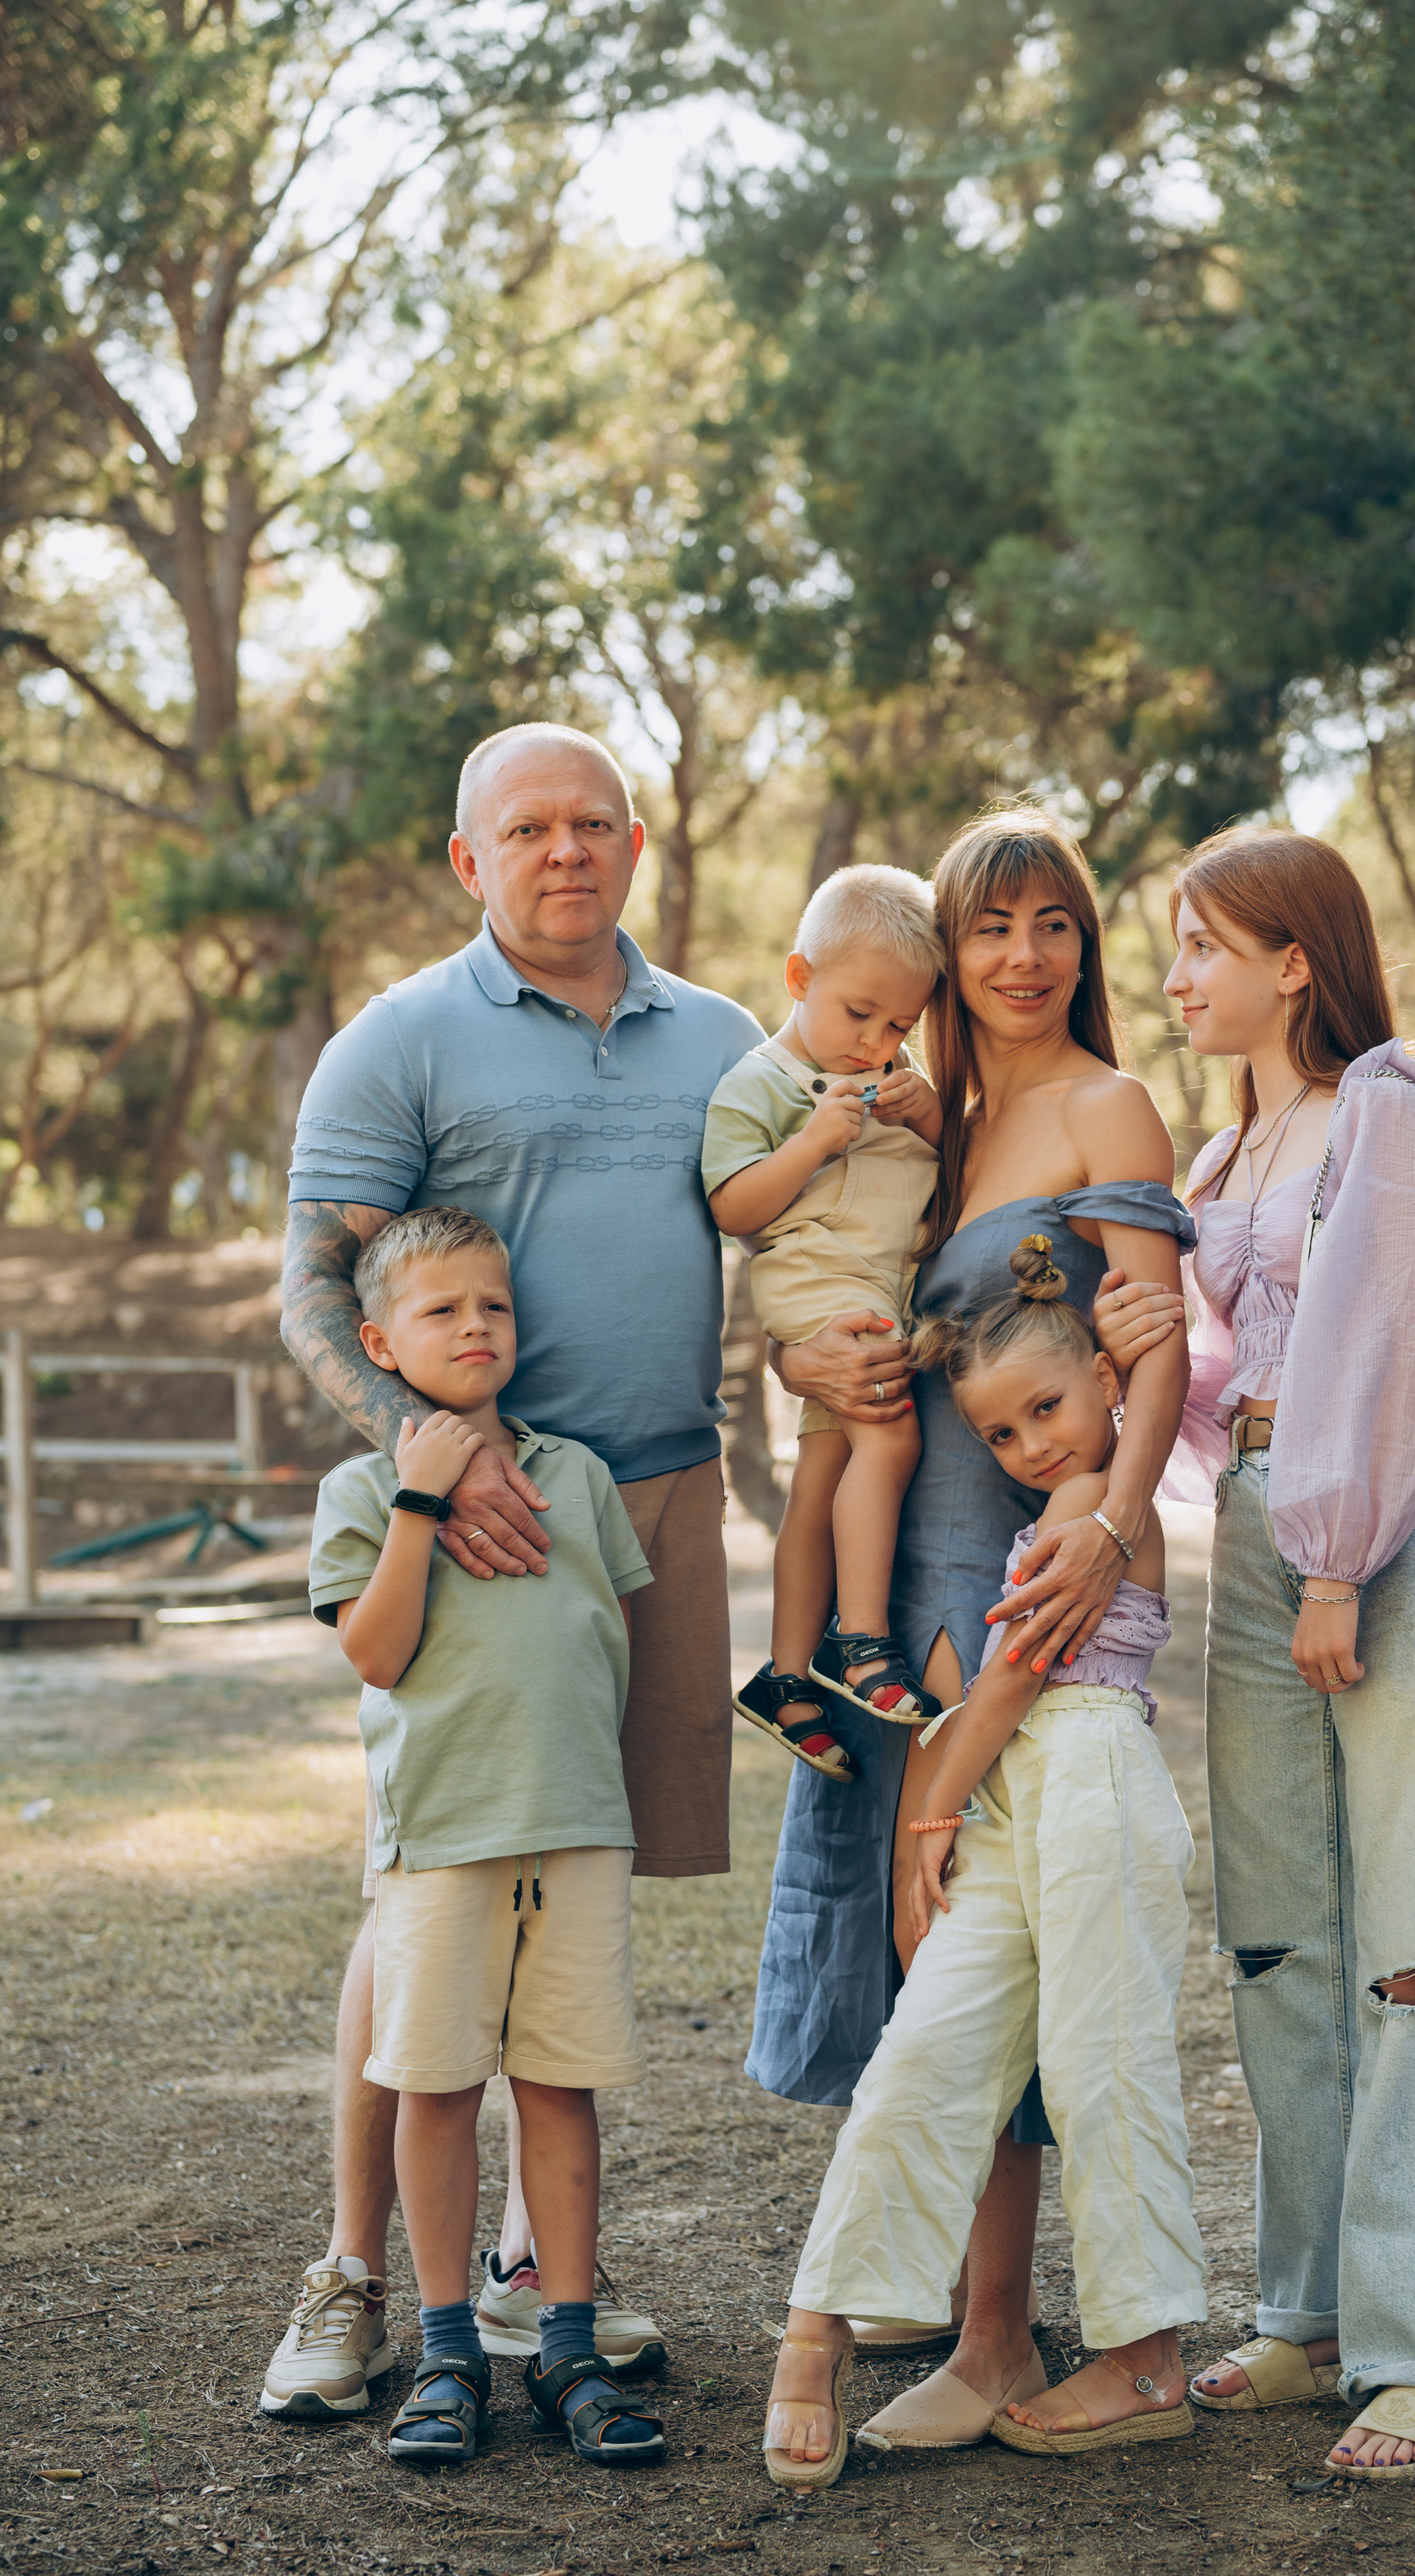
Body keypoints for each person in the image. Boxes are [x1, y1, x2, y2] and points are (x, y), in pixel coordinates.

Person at [260, 721, 762, 2422]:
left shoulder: (723, 1039)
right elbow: (314, 1292)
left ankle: (533, 2274)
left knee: (577, 1879)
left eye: (593, 823)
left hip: (654, 1503)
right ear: (469, 859)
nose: (566, 850)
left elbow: (797, 1221)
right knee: (424, 1900)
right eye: (528, 828)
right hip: (470, 1521)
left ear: (634, 844)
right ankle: (350, 2279)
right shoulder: (396, 1039)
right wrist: (443, 1452)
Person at [745, 808, 1195, 2430]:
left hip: (1025, 1567)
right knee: (928, 1951)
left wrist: (1115, 1529)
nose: (1024, 956)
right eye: (992, 927)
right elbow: (818, 1277)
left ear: (1085, 943)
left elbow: (1155, 1351)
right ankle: (955, 2313)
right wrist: (795, 1356)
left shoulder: (1103, 1105)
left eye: (1054, 922)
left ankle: (999, 2330)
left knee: (985, 1936)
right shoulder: (921, 1123)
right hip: (894, 1578)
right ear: (947, 951)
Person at [1095, 823, 1415, 2482]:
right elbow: (1231, 1392)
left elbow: (1400, 1346)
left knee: (1410, 1942)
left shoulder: (1390, 1108)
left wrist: (1336, 1563)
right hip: (1257, 1531)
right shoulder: (1220, 1155)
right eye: (1175, 944)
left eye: (1203, 944)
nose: (1175, 976)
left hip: (1375, 1540)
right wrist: (1145, 1345)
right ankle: (1312, 2311)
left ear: (1293, 961)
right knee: (1277, 1942)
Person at [761, 1239, 1205, 2487]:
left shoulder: (1099, 1505)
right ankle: (816, 2332)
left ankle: (1147, 2359)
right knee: (926, 2049)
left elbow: (1015, 1678)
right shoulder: (1054, 1502)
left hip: (1091, 1781)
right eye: (1001, 1434)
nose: (1030, 1448)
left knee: (1105, 2062)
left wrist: (931, 1816)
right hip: (1018, 1793)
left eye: (1047, 1410)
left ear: (1109, 1386)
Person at [308, 1207, 664, 2468]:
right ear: (379, 1344)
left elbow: (610, 1642)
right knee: (440, 2085)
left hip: (576, 1829)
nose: (476, 1326)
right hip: (445, 1836)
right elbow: (377, 1652)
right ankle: (449, 2346)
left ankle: (564, 2342)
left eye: (494, 1306)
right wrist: (420, 1498)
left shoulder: (580, 1478)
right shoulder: (360, 1490)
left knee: (561, 2084)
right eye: (443, 1309)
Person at [706, 866, 947, 1771]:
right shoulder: (757, 1086)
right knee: (891, 1434)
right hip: (816, 1280)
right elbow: (732, 1206)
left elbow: (952, 1179)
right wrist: (810, 1142)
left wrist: (933, 1120)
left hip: (880, 1285)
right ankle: (862, 1641)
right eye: (859, 1015)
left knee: (820, 1477)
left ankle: (785, 1674)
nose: (877, 1043)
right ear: (799, 978)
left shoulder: (895, 1077)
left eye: (900, 1027)